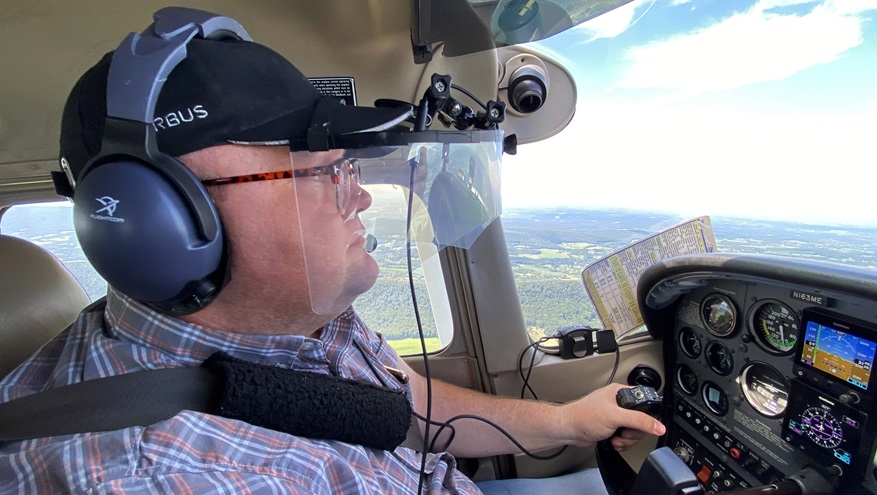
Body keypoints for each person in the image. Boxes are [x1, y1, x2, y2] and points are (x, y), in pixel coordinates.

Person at [0, 8, 665, 494]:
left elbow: (402, 406)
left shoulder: (297, 326)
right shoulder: (172, 477)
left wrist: (567, 420)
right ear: (163, 222)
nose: (359, 198)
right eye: (322, 171)